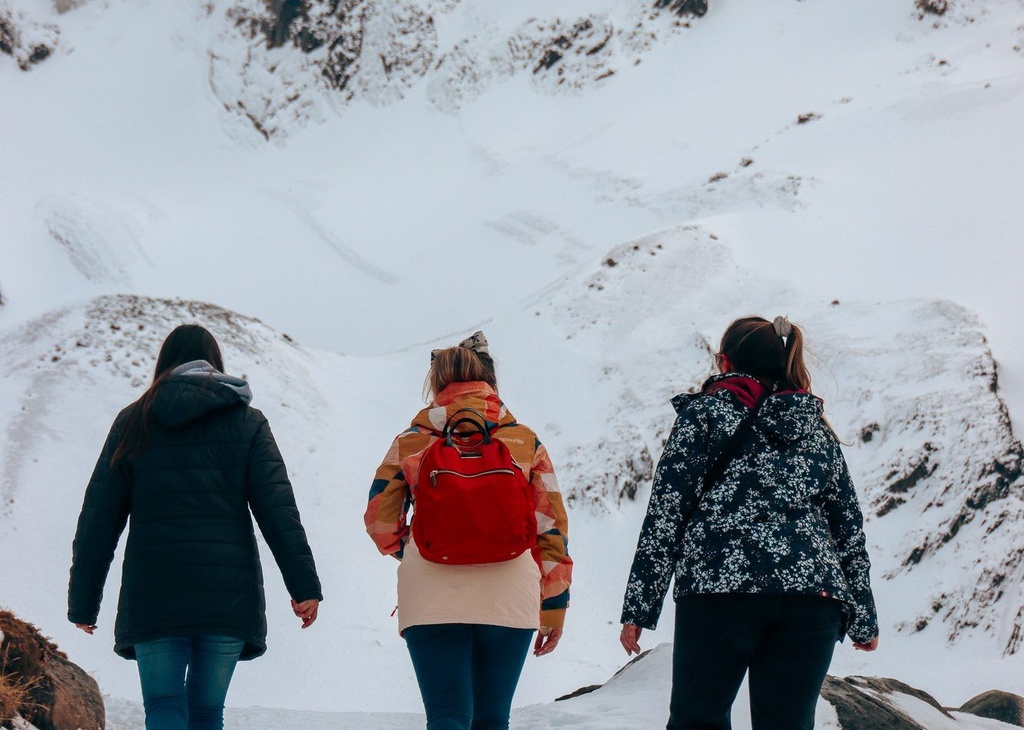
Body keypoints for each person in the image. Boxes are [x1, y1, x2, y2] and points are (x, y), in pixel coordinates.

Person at [619, 315, 878, 730]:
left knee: (697, 720)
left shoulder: (704, 415)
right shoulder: (813, 426)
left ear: (725, 362)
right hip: (811, 596)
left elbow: (667, 512)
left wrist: (639, 606)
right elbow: (846, 524)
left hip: (719, 590)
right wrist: (863, 615)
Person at [68, 324, 323, 730]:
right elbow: (278, 509)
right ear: (214, 362)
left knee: (165, 707)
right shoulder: (247, 422)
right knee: (206, 714)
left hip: (154, 590)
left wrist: (84, 601)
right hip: (227, 592)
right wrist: (304, 587)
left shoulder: (134, 421)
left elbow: (99, 516)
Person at [364, 331, 573, 730]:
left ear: (437, 384)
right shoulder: (524, 441)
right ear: (488, 380)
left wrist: (413, 549)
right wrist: (554, 607)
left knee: (447, 718)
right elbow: (552, 528)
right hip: (510, 591)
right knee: (492, 720)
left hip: (431, 591)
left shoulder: (411, 441)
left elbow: (380, 521)